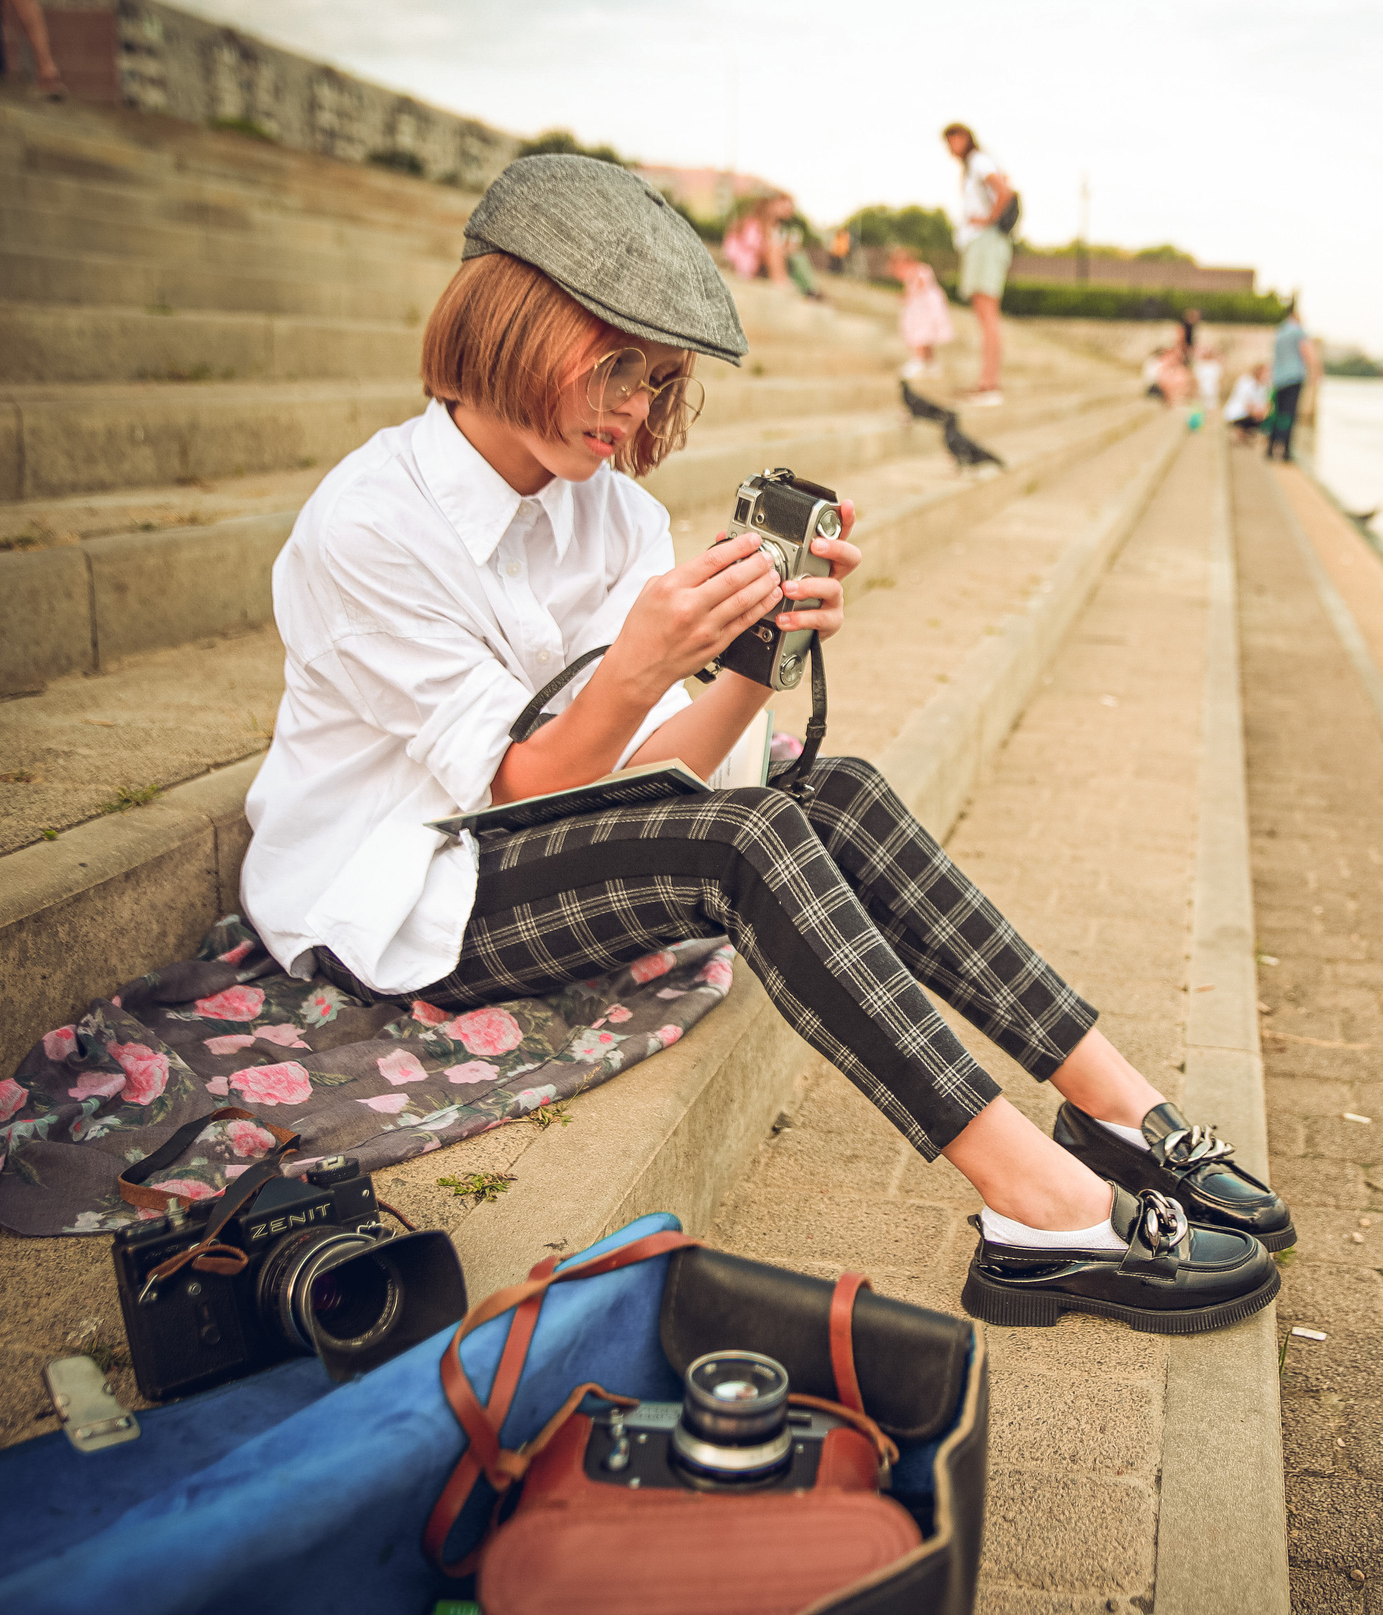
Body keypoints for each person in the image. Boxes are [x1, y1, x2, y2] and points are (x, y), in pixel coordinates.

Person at [241, 155, 1289, 1334]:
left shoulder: (615, 512)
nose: (634, 411)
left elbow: (669, 773)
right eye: (618, 365)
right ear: (513, 320)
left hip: (534, 843)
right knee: (742, 843)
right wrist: (640, 659)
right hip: (402, 887)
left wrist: (753, 659)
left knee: (828, 787)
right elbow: (519, 784)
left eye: (659, 381)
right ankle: (1034, 1206)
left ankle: (1113, 1108)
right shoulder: (370, 521)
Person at [942, 123, 1014, 407]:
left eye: (952, 141)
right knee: (985, 315)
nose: (950, 148)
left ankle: (989, 385)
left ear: (963, 139)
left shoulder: (979, 161)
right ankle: (987, 382)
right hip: (981, 243)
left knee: (987, 315)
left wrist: (988, 220)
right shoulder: (976, 164)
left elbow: (1003, 191)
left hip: (986, 241)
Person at [1266, 301, 1321, 463]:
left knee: (1277, 413)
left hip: (1278, 378)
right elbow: (1308, 353)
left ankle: (1270, 447)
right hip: (1293, 378)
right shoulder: (1298, 332)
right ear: (1297, 318)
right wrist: (1315, 375)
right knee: (1289, 415)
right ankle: (1286, 451)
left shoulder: (1280, 332)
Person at [891, 245, 953, 379]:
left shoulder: (920, 270)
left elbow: (920, 286)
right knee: (925, 338)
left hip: (926, 310)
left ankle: (917, 362)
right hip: (921, 310)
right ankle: (931, 364)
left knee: (921, 336)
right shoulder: (912, 274)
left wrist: (909, 293)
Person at [1224, 362, 1271, 446]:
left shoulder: (1263, 387)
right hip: (1239, 414)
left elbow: (1264, 405)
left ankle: (1245, 432)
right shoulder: (1246, 382)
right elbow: (1247, 404)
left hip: (1253, 414)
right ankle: (1240, 430)